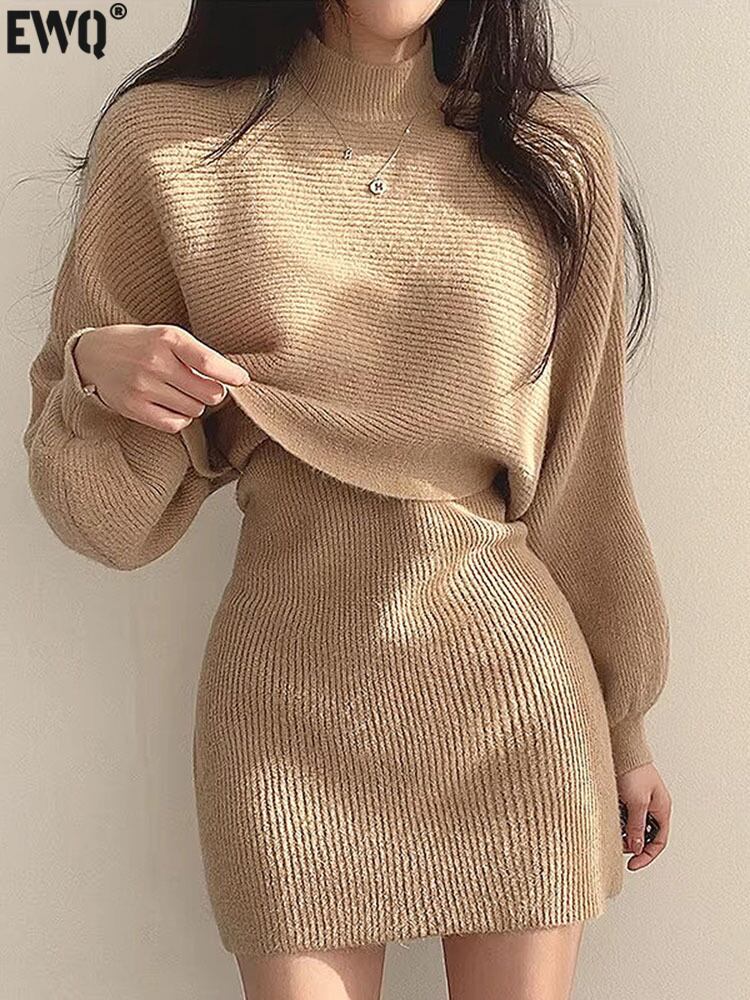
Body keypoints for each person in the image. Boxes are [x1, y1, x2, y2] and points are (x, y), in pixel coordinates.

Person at [21, 1, 673, 997]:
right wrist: (89, 372)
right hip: (285, 712)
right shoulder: (167, 143)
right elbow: (111, 525)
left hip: (513, 703)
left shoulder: (552, 148)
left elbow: (586, 472)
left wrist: (625, 728)